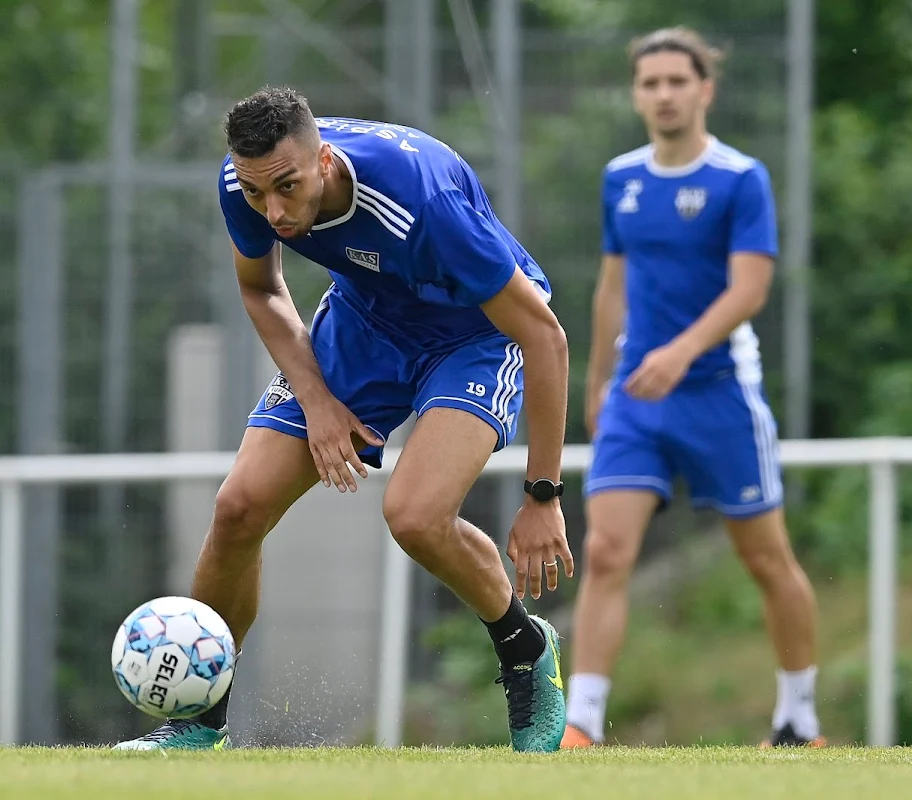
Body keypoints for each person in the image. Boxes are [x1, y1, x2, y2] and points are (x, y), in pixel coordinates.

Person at [113, 86, 573, 752]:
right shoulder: (243, 181)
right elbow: (261, 287)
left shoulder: (424, 204)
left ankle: (525, 648)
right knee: (238, 508)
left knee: (415, 516)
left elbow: (545, 336)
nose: (272, 210)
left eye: (287, 188)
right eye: (255, 192)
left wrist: (543, 495)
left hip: (473, 336)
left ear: (324, 162)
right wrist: (320, 405)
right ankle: (200, 721)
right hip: (365, 324)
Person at [561, 27, 824, 749]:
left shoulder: (741, 179)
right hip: (635, 400)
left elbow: (750, 289)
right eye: (651, 83)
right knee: (609, 553)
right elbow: (611, 285)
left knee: (766, 558)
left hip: (719, 396)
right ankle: (581, 725)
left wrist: (679, 353)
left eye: (678, 81)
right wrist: (598, 379)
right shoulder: (622, 178)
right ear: (636, 94)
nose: (665, 94)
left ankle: (799, 718)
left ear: (705, 89)